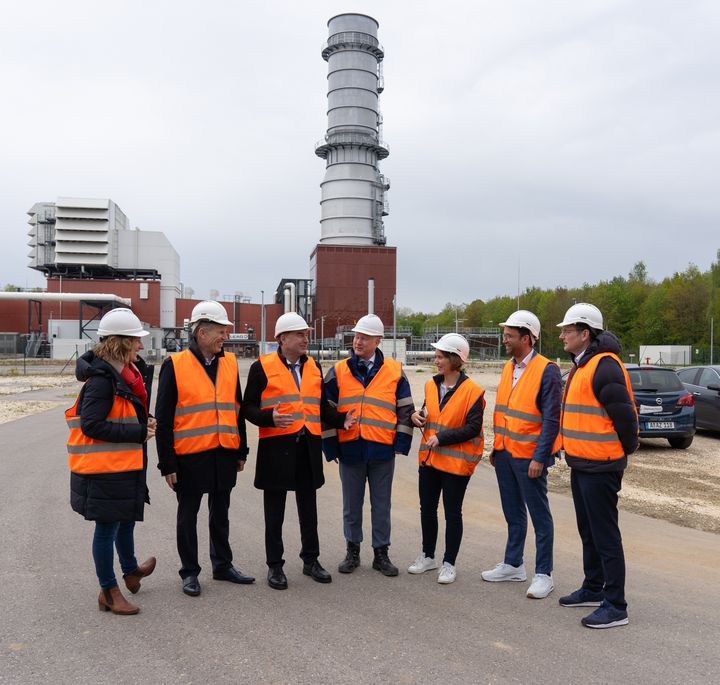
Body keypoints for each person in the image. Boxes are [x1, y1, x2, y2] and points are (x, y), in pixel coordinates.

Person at [243, 312, 355, 590]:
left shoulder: (314, 366)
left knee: (308, 508)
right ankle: (275, 566)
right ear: (283, 338)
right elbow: (247, 407)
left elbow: (318, 406)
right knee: (275, 511)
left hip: (308, 445)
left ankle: (311, 560)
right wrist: (269, 418)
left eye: (306, 334)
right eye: (299, 334)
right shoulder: (262, 367)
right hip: (276, 446)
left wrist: (341, 419)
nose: (306, 339)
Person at [155, 300, 253, 597]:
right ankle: (190, 572)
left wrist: (242, 450)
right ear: (200, 332)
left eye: (225, 331)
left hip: (224, 451)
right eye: (220, 331)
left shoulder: (230, 363)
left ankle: (222, 565)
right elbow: (163, 418)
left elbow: (236, 409)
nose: (225, 336)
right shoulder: (176, 365)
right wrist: (167, 464)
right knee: (188, 515)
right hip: (190, 455)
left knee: (220, 512)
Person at [66, 307, 156, 615]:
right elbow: (91, 424)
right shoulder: (102, 380)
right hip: (103, 470)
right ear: (120, 343)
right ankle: (108, 590)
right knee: (106, 529)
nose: (141, 347)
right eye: (136, 341)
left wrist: (144, 424)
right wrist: (138, 432)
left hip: (122, 465)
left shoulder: (124, 374)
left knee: (125, 519)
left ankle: (130, 571)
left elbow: (126, 413)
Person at [556, 302, 638, 628]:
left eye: (567, 330)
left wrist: (622, 451)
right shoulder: (582, 364)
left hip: (601, 466)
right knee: (588, 532)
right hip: (583, 464)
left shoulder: (604, 366)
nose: (562, 335)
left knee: (605, 536)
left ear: (585, 333)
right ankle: (593, 587)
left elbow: (626, 418)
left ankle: (616, 605)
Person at [323, 314, 414, 577]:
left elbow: (406, 409)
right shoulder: (339, 370)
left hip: (382, 450)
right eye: (356, 336)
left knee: (381, 504)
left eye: (364, 337)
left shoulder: (395, 371)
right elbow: (326, 411)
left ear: (378, 341)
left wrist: (401, 443)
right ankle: (352, 550)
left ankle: (381, 553)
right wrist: (330, 447)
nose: (357, 341)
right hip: (350, 447)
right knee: (351, 504)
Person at [481, 310, 561, 599]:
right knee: (513, 513)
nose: (505, 338)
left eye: (510, 335)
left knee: (540, 516)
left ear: (526, 338)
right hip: (504, 453)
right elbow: (505, 411)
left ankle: (544, 574)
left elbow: (552, 419)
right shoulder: (507, 368)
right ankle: (514, 564)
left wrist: (540, 457)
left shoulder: (547, 370)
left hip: (530, 457)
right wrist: (495, 448)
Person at [407, 334, 484, 584]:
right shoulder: (431, 385)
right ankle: (428, 556)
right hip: (429, 461)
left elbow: (473, 427)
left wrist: (442, 437)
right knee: (427, 510)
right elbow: (430, 411)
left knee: (453, 513)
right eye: (436, 356)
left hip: (455, 465)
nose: (436, 360)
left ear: (454, 359)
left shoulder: (473, 391)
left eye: (440, 357)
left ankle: (449, 563)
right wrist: (417, 416)